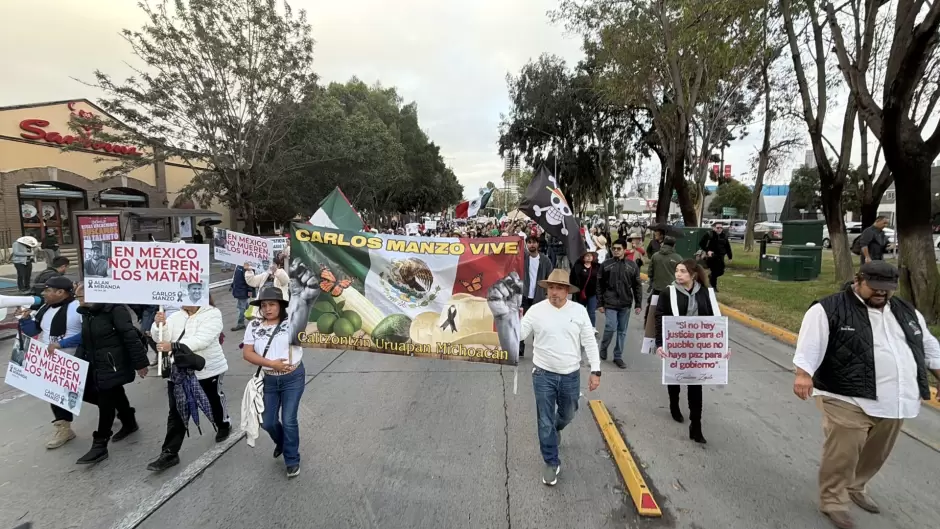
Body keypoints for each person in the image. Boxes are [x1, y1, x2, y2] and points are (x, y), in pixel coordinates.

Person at [792, 261, 940, 529]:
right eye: (875, 288)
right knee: (844, 452)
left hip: (896, 399)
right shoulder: (828, 308)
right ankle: (833, 500)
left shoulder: (906, 311)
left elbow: (928, 345)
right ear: (858, 280)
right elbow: (809, 343)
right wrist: (803, 374)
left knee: (876, 452)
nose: (881, 294)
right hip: (845, 395)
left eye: (887, 289)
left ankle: (856, 486)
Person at [519, 269, 600, 486]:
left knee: (568, 414)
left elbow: (589, 342)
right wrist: (510, 320)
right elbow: (519, 334)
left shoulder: (580, 311)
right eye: (551, 288)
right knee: (544, 421)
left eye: (559, 288)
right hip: (543, 374)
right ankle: (551, 462)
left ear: (567, 291)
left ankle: (557, 429)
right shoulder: (536, 311)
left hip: (570, 375)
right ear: (546, 289)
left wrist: (596, 370)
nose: (554, 292)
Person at [62, 286, 150, 464]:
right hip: (97, 364)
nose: (78, 300)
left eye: (80, 296)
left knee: (106, 400)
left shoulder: (115, 309)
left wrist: (140, 363)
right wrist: (77, 365)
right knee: (114, 391)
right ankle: (129, 421)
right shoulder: (87, 313)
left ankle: (100, 444)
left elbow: (130, 336)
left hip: (114, 363)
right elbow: (86, 342)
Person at [147, 296, 230, 471]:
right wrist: (158, 325)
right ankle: (169, 453)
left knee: (213, 400)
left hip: (208, 369)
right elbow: (161, 338)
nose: (183, 299)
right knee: (176, 411)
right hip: (179, 373)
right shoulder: (176, 316)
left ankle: (223, 424)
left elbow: (202, 339)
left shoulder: (213, 314)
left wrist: (175, 346)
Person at [242, 287, 306, 478]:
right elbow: (247, 353)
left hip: (293, 378)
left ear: (281, 306)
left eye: (272, 304)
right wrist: (271, 364)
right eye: (264, 305)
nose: (267, 309)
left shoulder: (293, 322)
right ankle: (282, 442)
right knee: (267, 421)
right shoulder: (254, 326)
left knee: (288, 419)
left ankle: (292, 459)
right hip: (269, 379)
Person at [654, 259, 720, 444]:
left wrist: (721, 345)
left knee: (695, 384)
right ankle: (674, 403)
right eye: (677, 271)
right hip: (675, 343)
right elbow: (659, 316)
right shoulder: (669, 292)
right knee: (674, 379)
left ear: (693, 274)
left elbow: (715, 320)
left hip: (698, 346)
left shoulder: (706, 293)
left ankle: (696, 425)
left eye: (683, 271)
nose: (678, 274)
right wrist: (660, 343)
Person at [17, 276, 83, 448]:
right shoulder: (45, 309)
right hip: (53, 362)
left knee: (93, 393)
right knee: (55, 395)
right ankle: (64, 428)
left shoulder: (77, 308)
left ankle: (120, 411)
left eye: (48, 290)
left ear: (60, 292)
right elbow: (35, 331)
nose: (44, 294)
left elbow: (88, 332)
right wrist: (25, 320)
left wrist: (62, 344)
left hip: (76, 360)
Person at [598, 239, 642, 368]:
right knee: (610, 327)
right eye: (614, 249)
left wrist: (638, 304)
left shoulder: (632, 266)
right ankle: (603, 347)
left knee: (622, 331)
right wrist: (600, 303)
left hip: (625, 302)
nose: (616, 251)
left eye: (618, 249)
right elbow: (599, 285)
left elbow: (637, 286)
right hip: (610, 302)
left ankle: (618, 356)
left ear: (624, 250)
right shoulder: (606, 265)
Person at [521, 235, 554, 358]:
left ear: (538, 244)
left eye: (534, 242)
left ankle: (538, 349)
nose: (531, 245)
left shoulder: (545, 260)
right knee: (522, 323)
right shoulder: (523, 258)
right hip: (524, 297)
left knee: (537, 325)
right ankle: (520, 348)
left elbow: (550, 278)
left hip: (538, 298)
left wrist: (548, 294)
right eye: (529, 242)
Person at [647, 236, 683, 314]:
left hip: (657, 288)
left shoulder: (655, 255)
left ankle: (650, 324)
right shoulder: (678, 258)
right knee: (669, 310)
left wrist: (652, 282)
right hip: (672, 289)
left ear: (663, 243)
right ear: (674, 245)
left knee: (653, 309)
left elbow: (650, 272)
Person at [569, 249, 600, 330]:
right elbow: (572, 278)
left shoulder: (597, 267)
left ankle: (592, 327)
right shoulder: (577, 266)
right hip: (580, 294)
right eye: (587, 256)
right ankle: (579, 327)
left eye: (590, 256)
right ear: (583, 257)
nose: (589, 257)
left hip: (592, 293)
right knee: (580, 311)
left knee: (591, 312)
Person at [699, 222, 733, 291]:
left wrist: (730, 257)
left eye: (721, 228)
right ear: (714, 228)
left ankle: (710, 277)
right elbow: (701, 243)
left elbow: (727, 247)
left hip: (721, 256)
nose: (719, 229)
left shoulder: (724, 236)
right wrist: (707, 251)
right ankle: (713, 287)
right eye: (718, 228)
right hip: (712, 256)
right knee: (714, 271)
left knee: (721, 271)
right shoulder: (709, 234)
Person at [230, 263, 255, 331]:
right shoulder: (239, 266)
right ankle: (254, 317)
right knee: (245, 306)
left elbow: (250, 281)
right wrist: (232, 285)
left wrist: (250, 293)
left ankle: (241, 323)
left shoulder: (247, 267)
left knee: (241, 307)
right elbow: (236, 277)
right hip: (239, 290)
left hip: (243, 291)